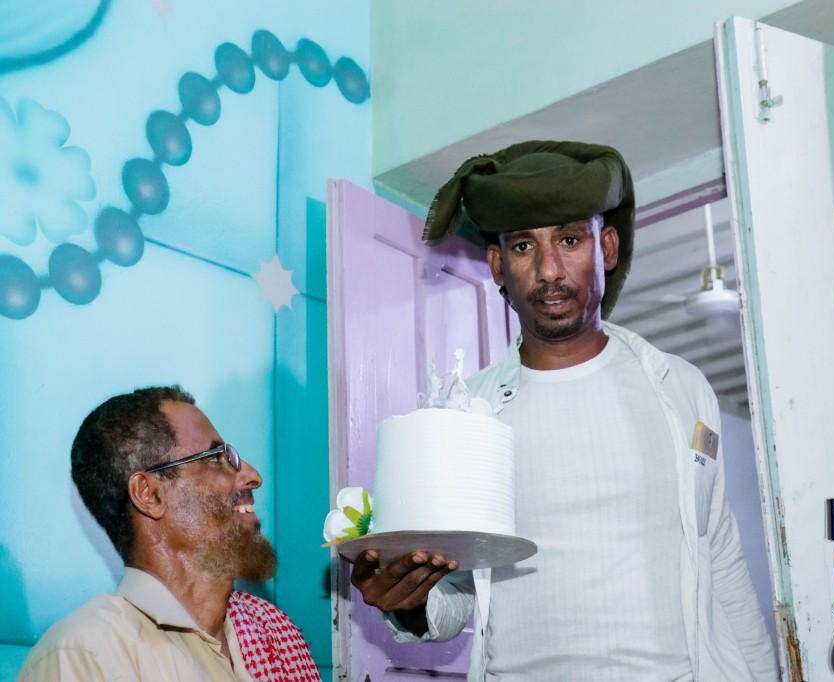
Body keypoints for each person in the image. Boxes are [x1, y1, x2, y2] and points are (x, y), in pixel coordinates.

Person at [350, 141, 777, 681]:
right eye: (523, 246)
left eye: (570, 240)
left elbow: (721, 558)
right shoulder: (467, 418)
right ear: (498, 265)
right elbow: (455, 588)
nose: (549, 270)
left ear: (608, 247)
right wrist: (408, 603)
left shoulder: (681, 388)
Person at [19, 386, 320, 681]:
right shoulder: (86, 655)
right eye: (216, 457)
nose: (253, 476)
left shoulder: (273, 634)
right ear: (149, 494)